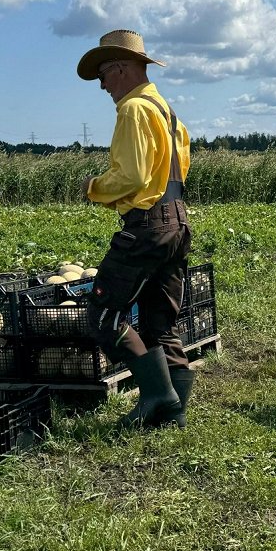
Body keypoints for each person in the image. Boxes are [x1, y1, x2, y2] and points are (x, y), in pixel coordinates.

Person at [77, 29, 194, 429]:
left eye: (104, 76)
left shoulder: (133, 109)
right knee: (160, 322)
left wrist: (94, 188)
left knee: (103, 313)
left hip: (146, 227)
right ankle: (174, 412)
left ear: (123, 69)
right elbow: (173, 172)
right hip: (176, 221)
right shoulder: (165, 109)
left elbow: (132, 175)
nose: (103, 86)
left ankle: (158, 394)